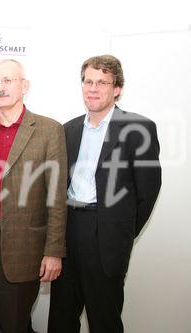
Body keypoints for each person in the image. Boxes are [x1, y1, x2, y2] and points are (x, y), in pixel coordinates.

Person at [48, 55, 162, 333]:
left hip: (106, 237)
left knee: (104, 321)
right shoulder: (68, 130)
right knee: (61, 320)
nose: (93, 88)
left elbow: (147, 192)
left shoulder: (138, 129)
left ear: (117, 88)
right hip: (67, 232)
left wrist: (119, 231)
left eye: (102, 82)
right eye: (88, 81)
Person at [0, 59, 68, 332]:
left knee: (15, 325)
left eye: (8, 80)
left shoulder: (49, 130)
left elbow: (56, 197)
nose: (0, 87)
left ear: (25, 86)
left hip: (24, 247)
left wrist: (53, 252)